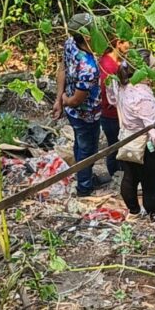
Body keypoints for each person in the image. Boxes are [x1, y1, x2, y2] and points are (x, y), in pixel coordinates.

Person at [107, 49, 155, 223]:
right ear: (144, 70)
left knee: (130, 178)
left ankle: (134, 211)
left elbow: (112, 101)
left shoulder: (120, 84)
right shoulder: (143, 96)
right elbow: (154, 129)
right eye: (153, 65)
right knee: (151, 187)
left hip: (127, 141)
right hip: (146, 147)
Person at [53, 13, 103, 197]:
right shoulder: (89, 68)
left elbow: (62, 67)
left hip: (74, 113)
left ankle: (84, 176)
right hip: (85, 114)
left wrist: (58, 98)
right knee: (88, 148)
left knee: (81, 144)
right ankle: (84, 186)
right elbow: (75, 101)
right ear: (88, 37)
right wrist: (64, 99)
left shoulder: (70, 43)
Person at [99, 38, 131, 179]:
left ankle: (119, 174)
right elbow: (111, 95)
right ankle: (115, 175)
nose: (129, 47)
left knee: (117, 145)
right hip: (111, 113)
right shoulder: (109, 66)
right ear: (118, 43)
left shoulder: (114, 62)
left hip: (114, 112)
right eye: (127, 44)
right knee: (115, 146)